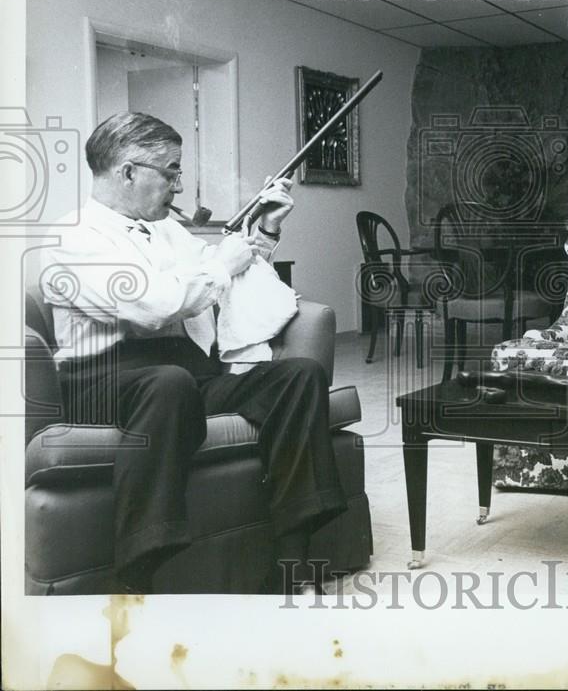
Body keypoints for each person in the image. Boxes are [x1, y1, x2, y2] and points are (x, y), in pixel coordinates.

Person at [39, 112, 347, 593]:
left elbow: (224, 279)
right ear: (128, 171)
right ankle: (135, 579)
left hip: (180, 373)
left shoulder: (167, 230)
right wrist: (220, 264)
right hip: (100, 378)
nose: (178, 186)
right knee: (168, 382)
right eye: (171, 171)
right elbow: (150, 306)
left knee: (300, 375)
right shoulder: (71, 236)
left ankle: (293, 563)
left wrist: (263, 232)